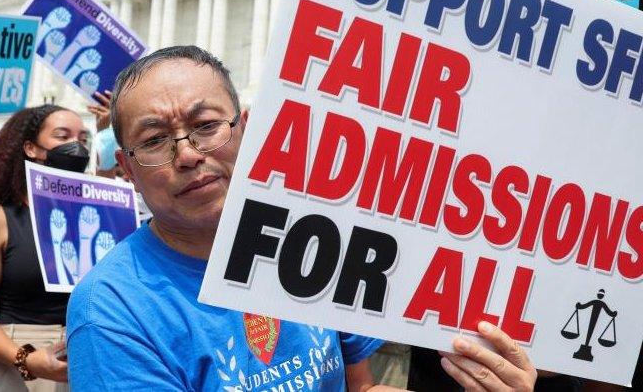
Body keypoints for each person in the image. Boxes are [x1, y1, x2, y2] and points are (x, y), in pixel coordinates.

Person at [65, 45, 539, 391]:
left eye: (207, 126)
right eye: (153, 141)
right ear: (125, 168)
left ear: (247, 129)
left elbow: (361, 387)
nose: (187, 154)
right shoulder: (112, 312)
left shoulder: (314, 240)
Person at [0, 104, 90, 391]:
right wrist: (27, 360)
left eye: (82, 139)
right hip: (17, 362)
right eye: (62, 136)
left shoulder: (95, 219)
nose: (76, 147)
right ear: (31, 148)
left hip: (85, 360)